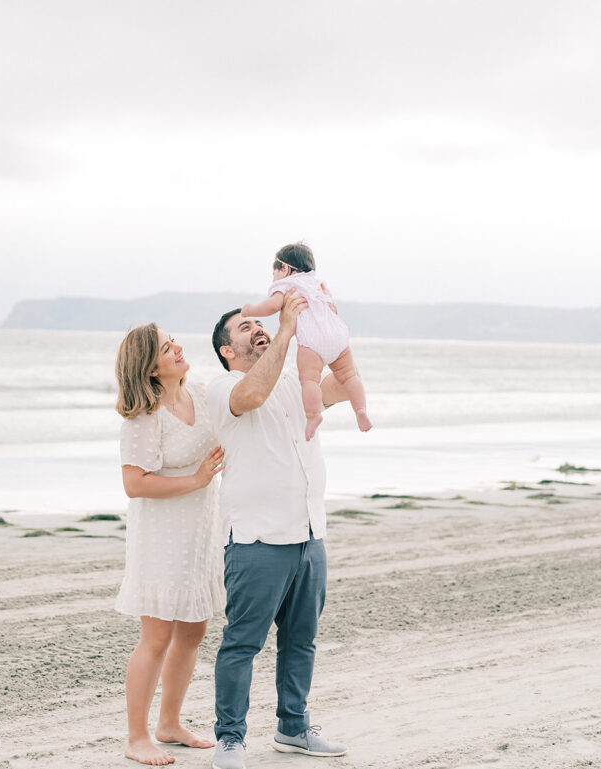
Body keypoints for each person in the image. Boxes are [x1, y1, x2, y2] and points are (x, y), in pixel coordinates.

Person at [205, 292, 349, 769]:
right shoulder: (219, 387)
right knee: (242, 642)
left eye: (258, 323)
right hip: (257, 539)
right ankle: (229, 740)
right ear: (227, 350)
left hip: (309, 534)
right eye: (245, 327)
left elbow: (340, 387)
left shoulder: (292, 381)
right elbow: (252, 395)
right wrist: (285, 330)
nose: (257, 328)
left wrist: (326, 326)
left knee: (301, 640)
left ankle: (293, 728)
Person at [114, 323, 227, 766]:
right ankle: (137, 736)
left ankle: (170, 723)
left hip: (201, 529)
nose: (178, 348)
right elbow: (133, 483)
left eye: (174, 341)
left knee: (194, 629)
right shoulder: (145, 414)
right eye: (166, 347)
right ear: (150, 366)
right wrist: (196, 479)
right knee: (157, 635)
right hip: (161, 535)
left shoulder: (199, 394)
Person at [241, 242, 372, 441]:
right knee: (349, 375)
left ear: (283, 268)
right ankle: (360, 410)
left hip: (312, 340)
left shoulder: (285, 285)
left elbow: (272, 305)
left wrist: (251, 310)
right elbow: (330, 307)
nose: (273, 278)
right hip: (337, 335)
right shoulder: (317, 284)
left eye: (273, 273)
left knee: (309, 379)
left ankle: (312, 416)